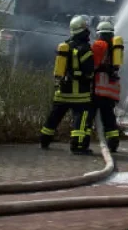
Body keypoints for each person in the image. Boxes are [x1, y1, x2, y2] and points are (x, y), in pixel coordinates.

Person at [39, 15, 96, 155]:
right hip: (79, 94)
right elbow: (89, 73)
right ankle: (78, 147)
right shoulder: (85, 49)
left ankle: (44, 140)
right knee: (81, 120)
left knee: (53, 118)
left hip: (62, 91)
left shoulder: (65, 46)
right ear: (83, 30)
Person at [91, 20, 124, 153]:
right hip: (112, 89)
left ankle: (82, 142)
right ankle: (113, 143)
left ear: (99, 33)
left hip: (99, 87)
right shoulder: (116, 47)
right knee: (109, 117)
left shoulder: (99, 45)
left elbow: (92, 64)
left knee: (89, 115)